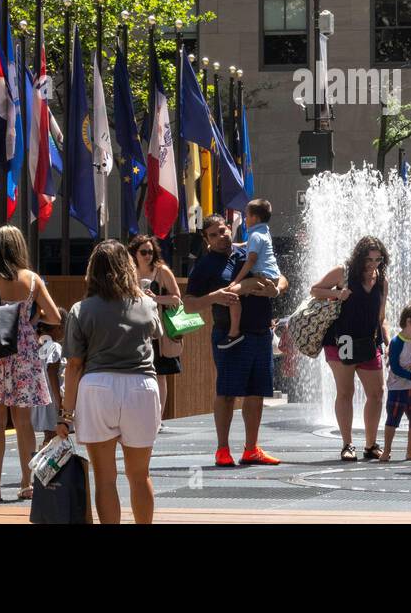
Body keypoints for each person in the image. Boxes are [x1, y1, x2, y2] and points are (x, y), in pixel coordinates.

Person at [59, 240, 163, 524]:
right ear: (128, 267)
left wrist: (65, 417)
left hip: (98, 387)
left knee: (105, 479)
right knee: (140, 476)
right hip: (141, 387)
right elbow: (158, 335)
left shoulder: (81, 310)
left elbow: (74, 366)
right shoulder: (147, 303)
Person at [0, 225, 61, 502]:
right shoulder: (32, 279)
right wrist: (31, 320)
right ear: (20, 248)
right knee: (24, 423)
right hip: (25, 353)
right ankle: (27, 483)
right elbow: (54, 317)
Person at [183, 214, 289, 468]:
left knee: (256, 393)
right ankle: (222, 449)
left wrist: (277, 288)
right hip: (230, 337)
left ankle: (251, 449)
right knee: (227, 393)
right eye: (214, 234)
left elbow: (281, 277)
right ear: (206, 239)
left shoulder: (250, 251)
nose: (221, 237)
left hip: (261, 333)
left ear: (231, 228)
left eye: (223, 231)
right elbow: (188, 305)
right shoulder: (205, 266)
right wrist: (214, 297)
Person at [310, 236, 391, 461]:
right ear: (359, 257)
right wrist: (337, 294)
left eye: (378, 259)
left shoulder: (382, 280)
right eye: (369, 259)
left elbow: (381, 316)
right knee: (346, 392)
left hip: (368, 341)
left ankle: (371, 444)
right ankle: (347, 444)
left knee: (377, 393)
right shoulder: (343, 272)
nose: (373, 264)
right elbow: (315, 290)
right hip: (341, 341)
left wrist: (388, 340)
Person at [130, 234, 184, 423]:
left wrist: (155, 298)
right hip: (136, 330)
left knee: (160, 374)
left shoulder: (162, 272)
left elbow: (177, 298)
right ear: (134, 253)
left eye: (150, 252)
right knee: (138, 374)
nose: (147, 256)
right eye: (143, 252)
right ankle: (140, 417)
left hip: (159, 331)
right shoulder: (129, 272)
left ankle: (158, 418)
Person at [221, 198, 281, 348]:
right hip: (272, 277)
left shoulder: (255, 235)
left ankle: (233, 333)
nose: (245, 219)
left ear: (255, 218)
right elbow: (248, 245)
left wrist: (236, 281)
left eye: (247, 215)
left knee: (231, 293)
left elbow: (251, 260)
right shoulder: (263, 232)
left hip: (263, 278)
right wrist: (234, 245)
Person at [382, 304, 411, 462]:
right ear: (409, 321)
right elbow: (394, 367)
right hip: (397, 388)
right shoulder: (396, 342)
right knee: (393, 419)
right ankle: (386, 451)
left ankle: (410, 452)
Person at [33, 309, 68, 446]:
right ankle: (50, 465)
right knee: (55, 436)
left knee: (49, 435)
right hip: (53, 399)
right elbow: (52, 372)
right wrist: (60, 402)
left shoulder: (38, 347)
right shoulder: (54, 347)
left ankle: (43, 462)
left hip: (42, 399)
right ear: (58, 327)